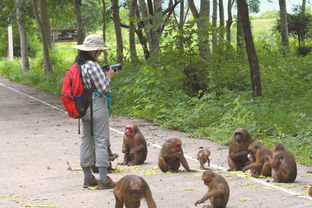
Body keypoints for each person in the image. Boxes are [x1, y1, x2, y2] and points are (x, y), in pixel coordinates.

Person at [74, 34, 117, 189]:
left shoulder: (79, 64)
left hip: (82, 106)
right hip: (96, 105)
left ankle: (87, 177)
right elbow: (103, 87)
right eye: (99, 50)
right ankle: (104, 179)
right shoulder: (93, 65)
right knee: (101, 140)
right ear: (94, 51)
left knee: (87, 140)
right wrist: (109, 76)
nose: (100, 53)